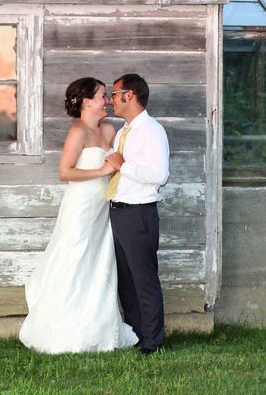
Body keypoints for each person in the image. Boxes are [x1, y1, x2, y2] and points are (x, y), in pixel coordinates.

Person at [19, 77, 139, 354]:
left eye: (109, 95)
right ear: (87, 102)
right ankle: (64, 326)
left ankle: (96, 325)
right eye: (102, 96)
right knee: (76, 260)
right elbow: (65, 172)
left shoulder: (108, 129)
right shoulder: (78, 133)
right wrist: (101, 172)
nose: (108, 100)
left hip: (103, 208)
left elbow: (121, 159)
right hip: (81, 208)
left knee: (99, 263)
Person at [104, 73, 170, 355]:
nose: (111, 100)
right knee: (126, 283)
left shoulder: (152, 131)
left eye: (115, 93)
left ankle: (153, 342)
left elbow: (160, 175)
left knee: (144, 280)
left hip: (139, 213)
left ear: (130, 95)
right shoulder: (122, 132)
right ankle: (136, 334)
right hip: (118, 211)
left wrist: (123, 166)